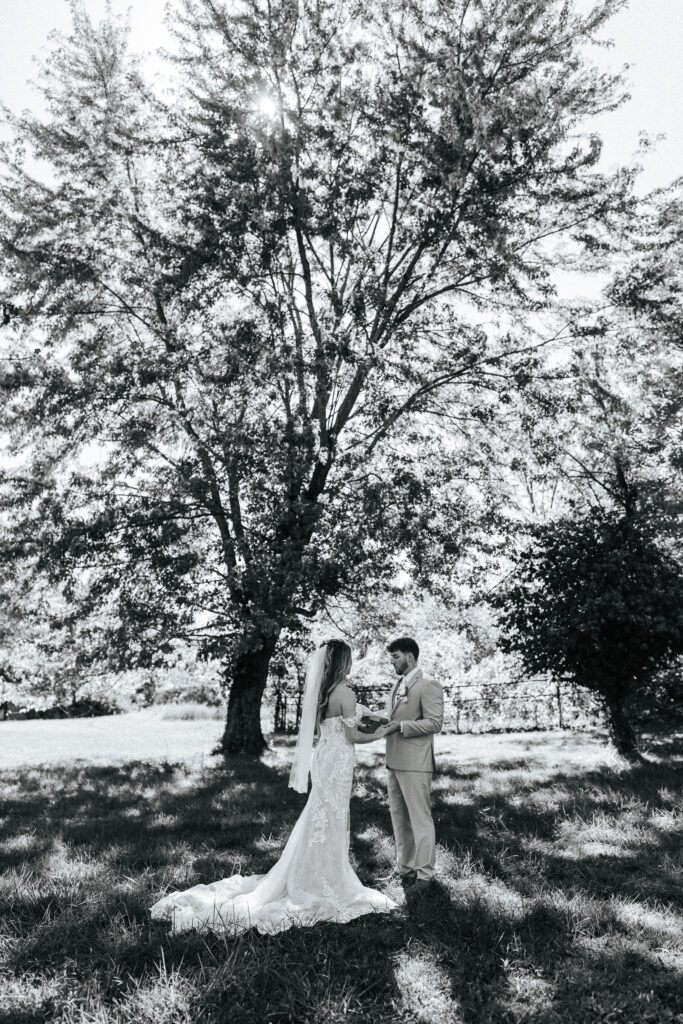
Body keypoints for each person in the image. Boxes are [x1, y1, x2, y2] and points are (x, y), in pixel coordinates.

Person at [150, 639, 397, 934]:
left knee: (323, 814)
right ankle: (325, 877)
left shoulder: (325, 691)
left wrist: (372, 714)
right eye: (351, 658)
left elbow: (349, 715)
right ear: (344, 661)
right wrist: (385, 731)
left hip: (325, 758)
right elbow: (354, 735)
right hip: (339, 760)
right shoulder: (344, 691)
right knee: (331, 816)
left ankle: (315, 869)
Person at [381, 637, 443, 894]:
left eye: (396, 657)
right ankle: (404, 867)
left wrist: (402, 727)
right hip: (394, 761)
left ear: (410, 656)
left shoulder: (428, 685)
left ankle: (425, 875)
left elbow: (434, 723)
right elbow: (394, 717)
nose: (392, 662)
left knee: (420, 819)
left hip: (416, 763)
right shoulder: (398, 685)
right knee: (399, 818)